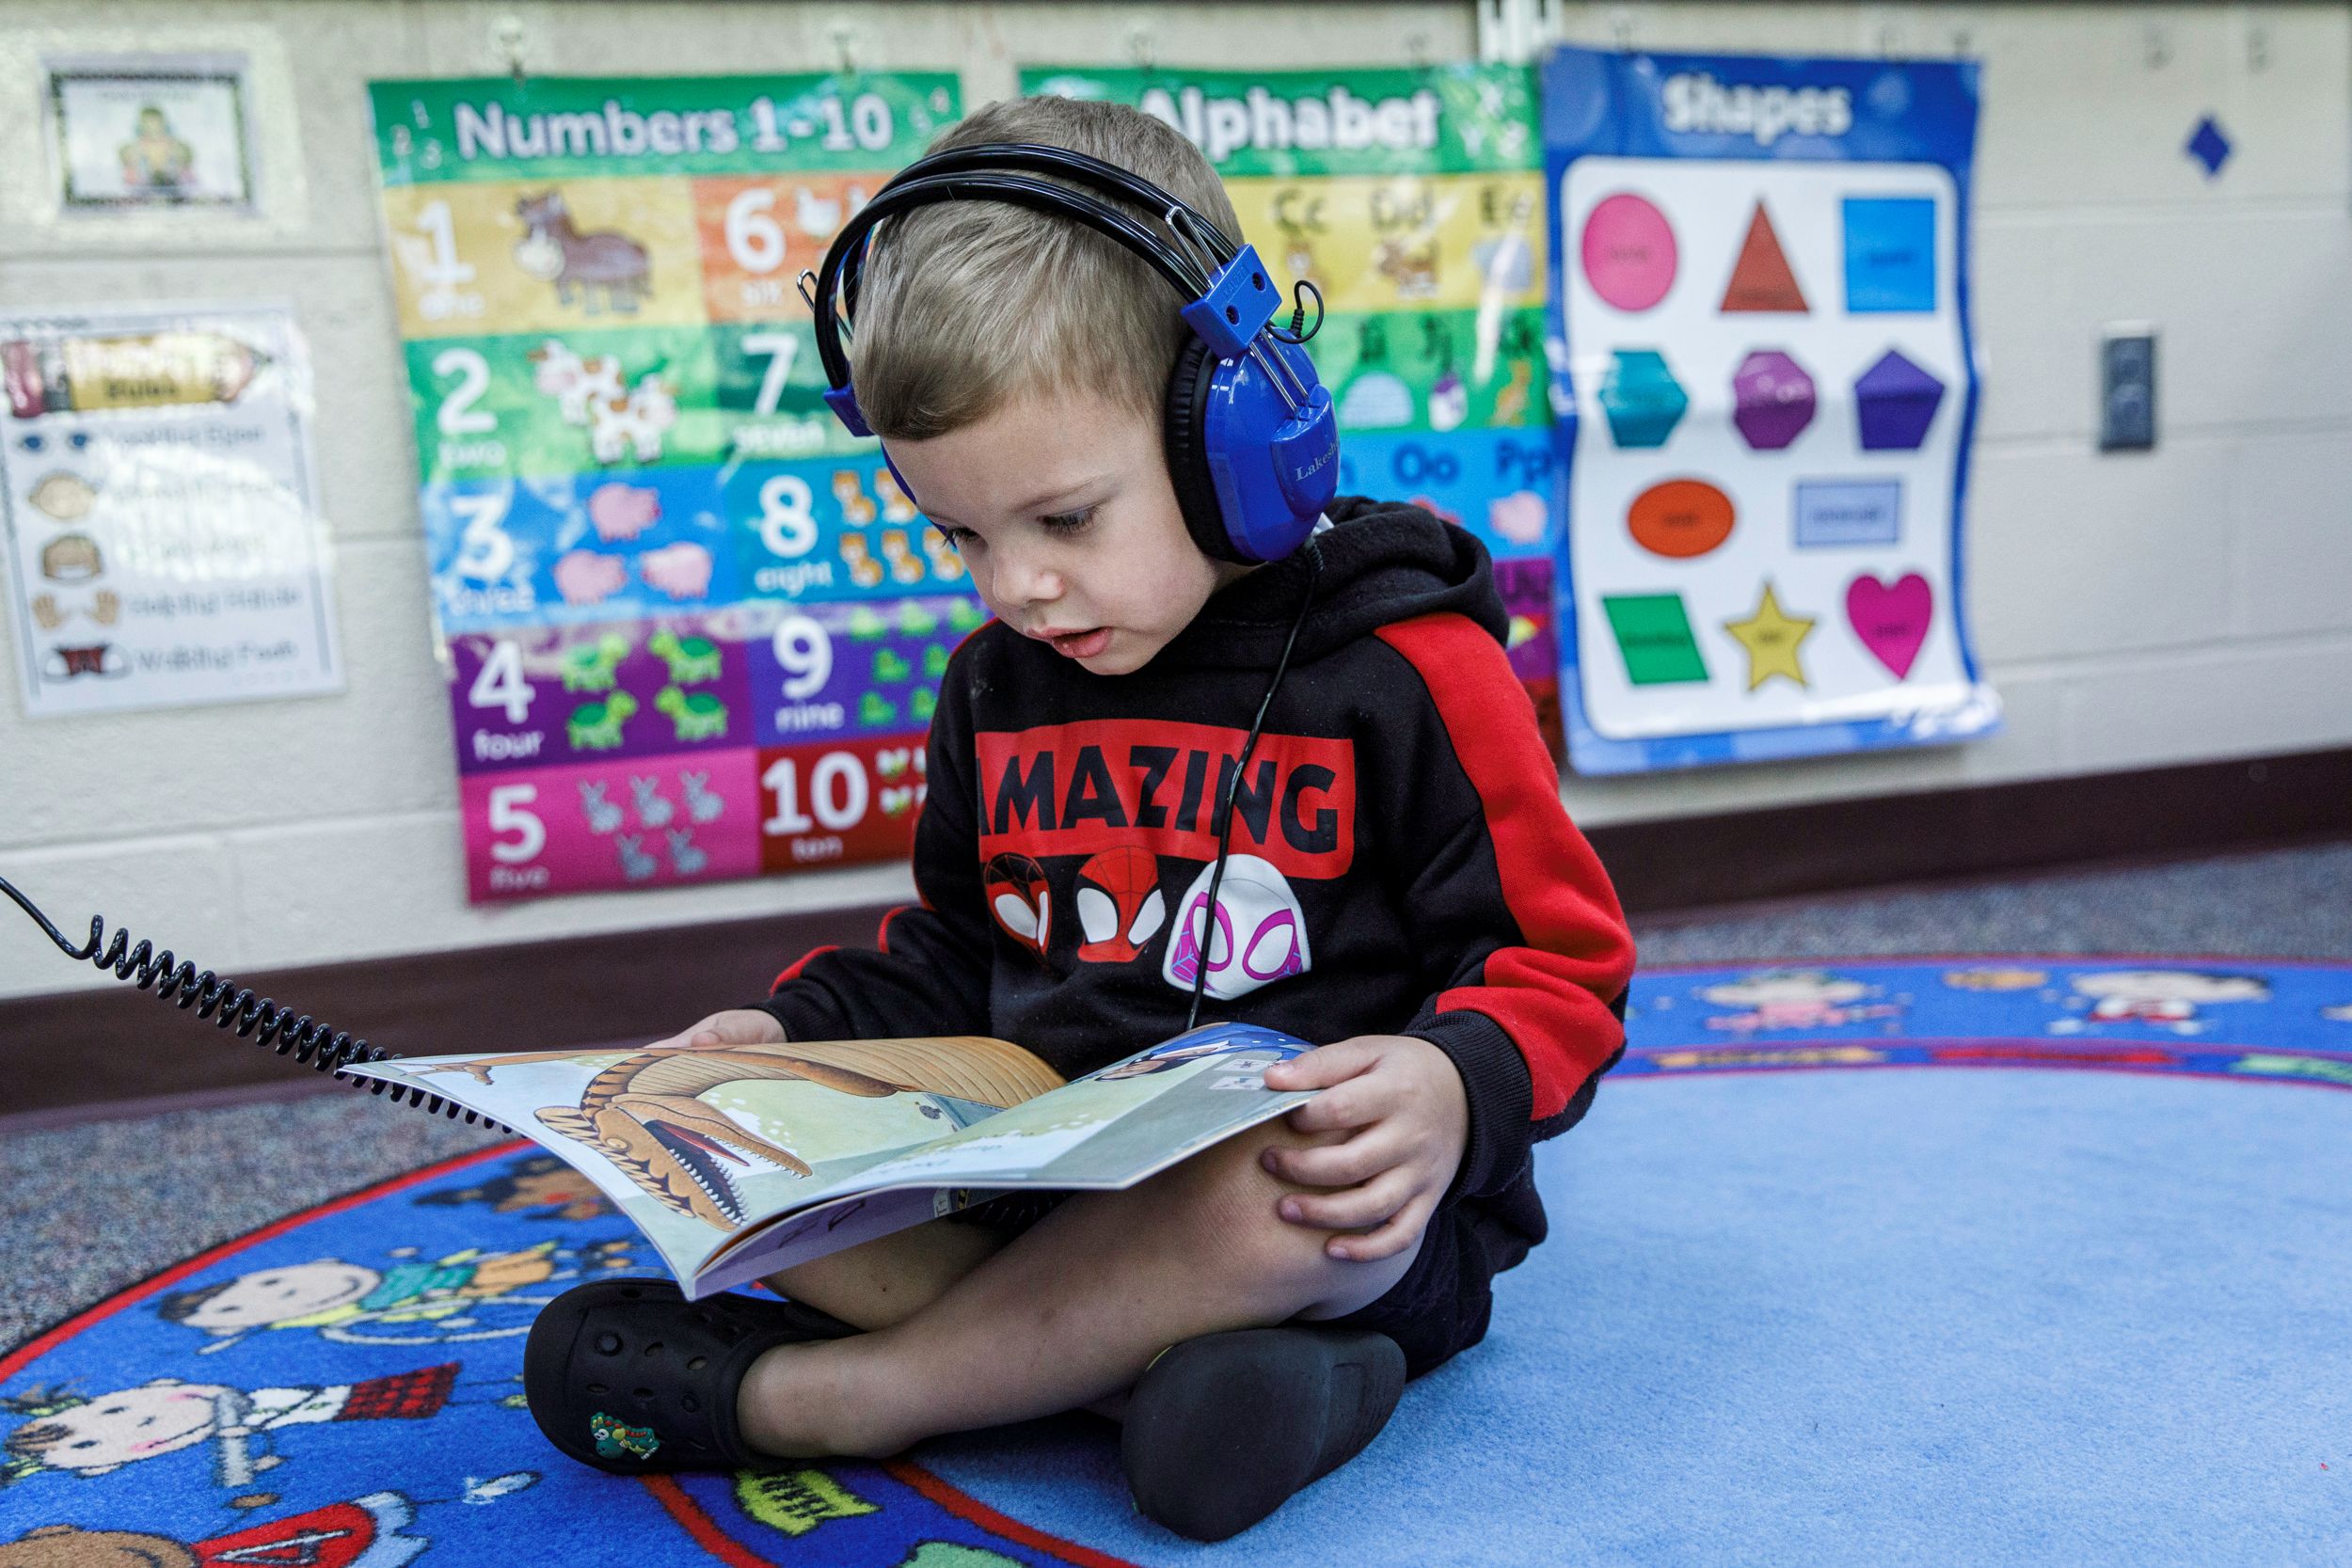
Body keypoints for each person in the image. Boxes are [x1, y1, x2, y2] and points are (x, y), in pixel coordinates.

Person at [523, 94, 1635, 1542]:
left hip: (1323, 1215)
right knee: (698, 1118)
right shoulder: (1002, 682)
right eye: (961, 533)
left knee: (1274, 1176)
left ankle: (849, 1399)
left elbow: (1569, 967)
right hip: (1037, 1184)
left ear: (1235, 435)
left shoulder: (1414, 667)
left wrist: (1444, 1091)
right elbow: (952, 949)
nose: (1016, 586)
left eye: (1064, 520)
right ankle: (1162, 1376)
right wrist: (780, 1047)